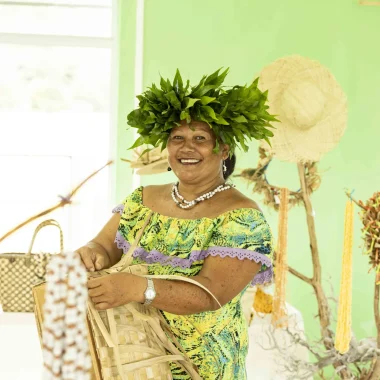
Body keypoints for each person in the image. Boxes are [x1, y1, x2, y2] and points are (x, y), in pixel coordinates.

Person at [76, 69, 276, 379]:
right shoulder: (141, 199)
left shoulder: (243, 218)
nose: (187, 147)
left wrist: (138, 288)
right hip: (132, 360)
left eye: (200, 138)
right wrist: (92, 253)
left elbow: (210, 294)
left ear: (223, 150)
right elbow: (104, 246)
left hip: (202, 368)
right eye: (177, 138)